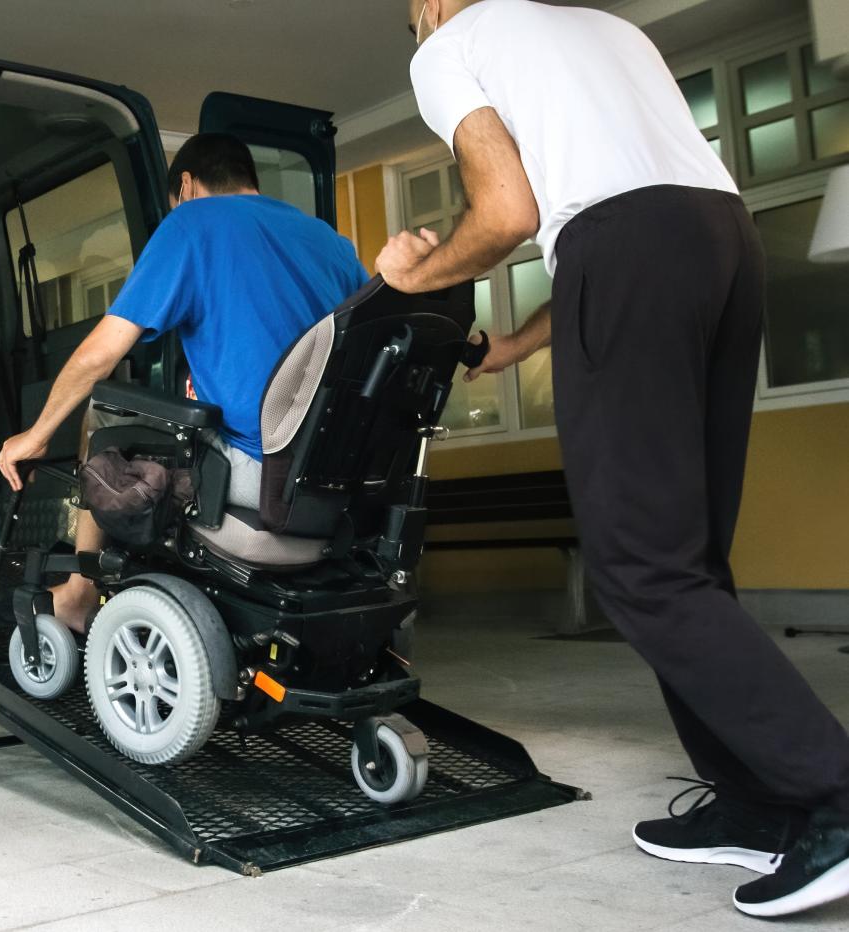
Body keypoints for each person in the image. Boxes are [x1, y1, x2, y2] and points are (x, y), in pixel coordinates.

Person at [375, 0, 849, 919]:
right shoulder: (607, 30)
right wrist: (511, 345)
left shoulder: (448, 48)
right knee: (691, 561)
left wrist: (412, 276)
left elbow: (511, 212)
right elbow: (637, 214)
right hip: (725, 244)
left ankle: (833, 795)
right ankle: (757, 799)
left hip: (635, 253)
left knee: (640, 568)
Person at [0, 133, 368, 632]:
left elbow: (100, 356)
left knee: (103, 409)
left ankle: (81, 595)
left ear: (187, 185)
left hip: (256, 469)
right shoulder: (331, 242)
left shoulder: (191, 222)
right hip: (330, 474)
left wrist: (35, 435)